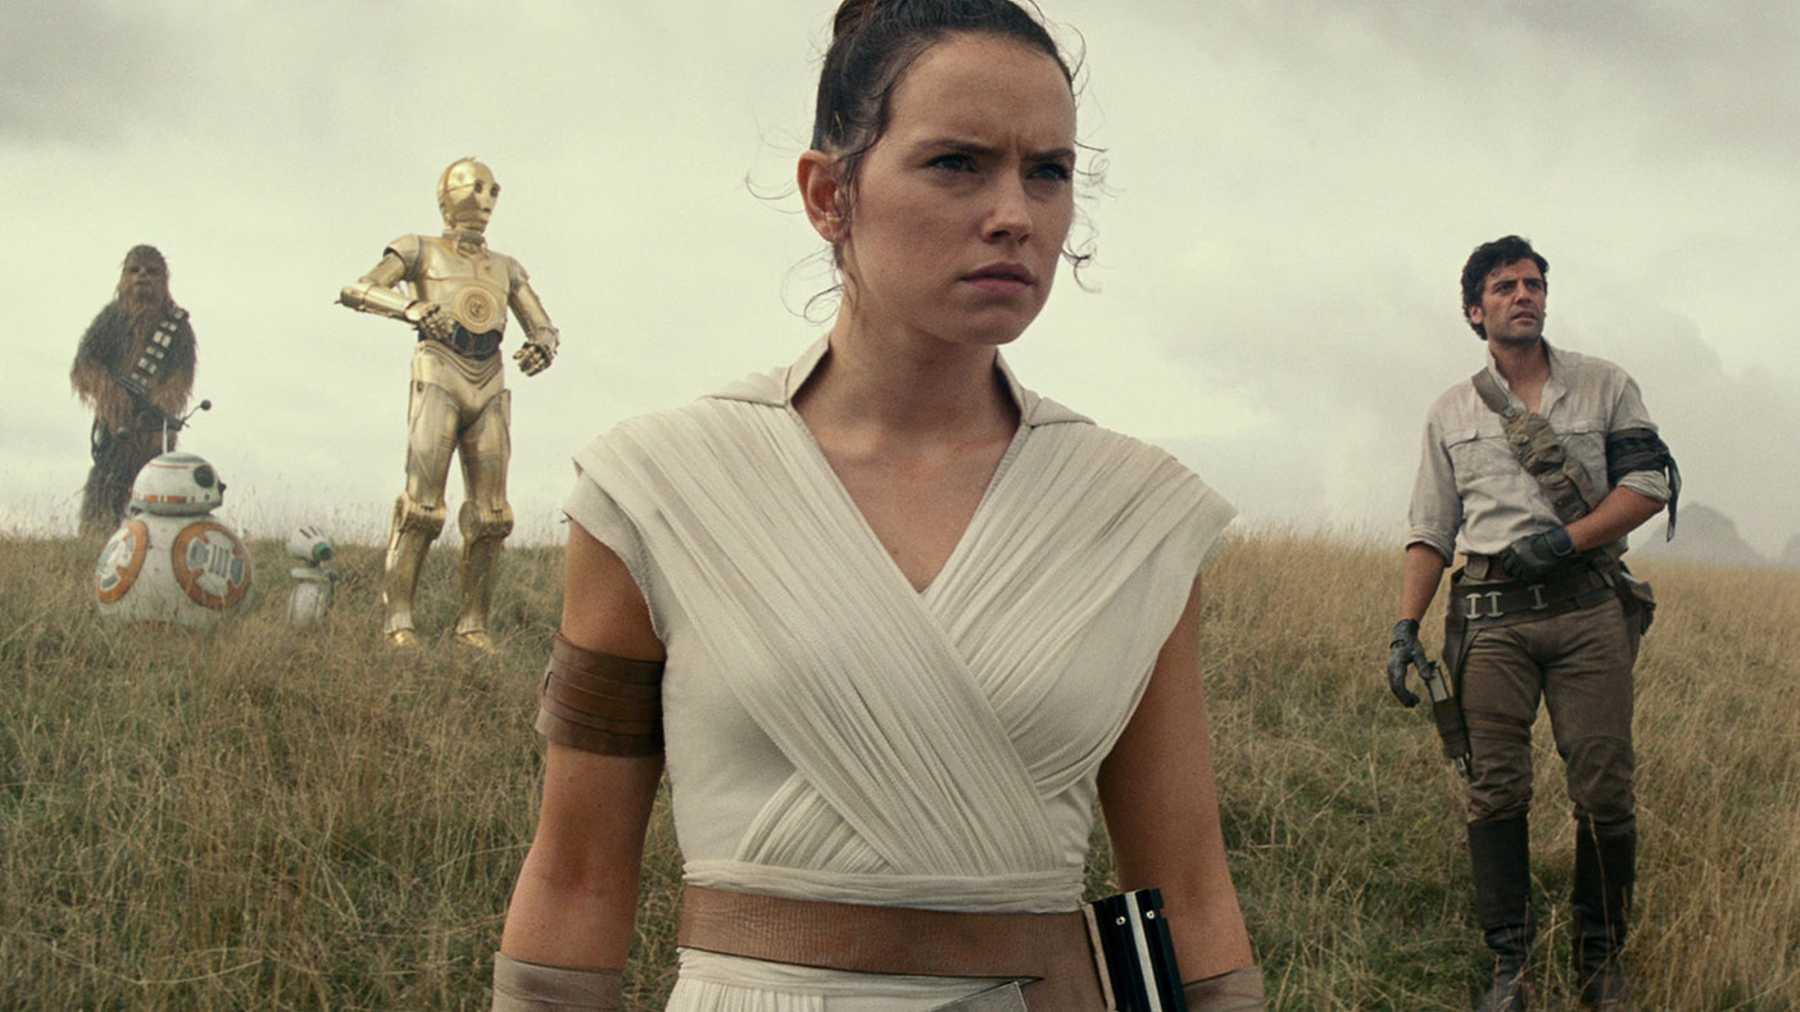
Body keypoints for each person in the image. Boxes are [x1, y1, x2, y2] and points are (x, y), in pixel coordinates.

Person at [493, 1, 1265, 1008]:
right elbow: (577, 875)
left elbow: (1188, 892)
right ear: (829, 194)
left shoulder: (1133, 517)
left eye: (1048, 171)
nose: (1016, 214)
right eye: (957, 164)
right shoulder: (658, 492)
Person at [1387, 236, 1678, 1011]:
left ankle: (1601, 961)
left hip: (1587, 611)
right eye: (1505, 286)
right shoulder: (1450, 411)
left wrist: (1565, 541)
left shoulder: (1606, 384)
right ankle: (1509, 968)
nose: (1525, 295)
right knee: (1496, 790)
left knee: (1605, 788)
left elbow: (1650, 483)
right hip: (1491, 624)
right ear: (1474, 311)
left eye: (1534, 283)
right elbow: (1431, 529)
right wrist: (1406, 627)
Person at [338, 158, 562, 652]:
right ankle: (398, 619)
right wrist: (412, 307)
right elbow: (358, 288)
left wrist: (542, 344)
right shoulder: (418, 248)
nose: (485, 198)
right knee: (422, 506)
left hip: (490, 377)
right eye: (475, 187)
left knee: (493, 515)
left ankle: (473, 625)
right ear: (447, 194)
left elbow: (542, 324)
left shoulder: (506, 266)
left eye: (493, 190)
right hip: (438, 369)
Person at [70, 244, 197, 536]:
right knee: (104, 489)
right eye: (135, 270)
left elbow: (181, 376)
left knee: (157, 494)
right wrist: (112, 397)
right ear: (123, 277)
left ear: (164, 279)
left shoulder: (177, 327)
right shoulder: (111, 318)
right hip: (116, 427)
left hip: (154, 432)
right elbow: (84, 365)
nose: (142, 276)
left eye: (151, 271)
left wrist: (158, 407)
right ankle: (94, 541)